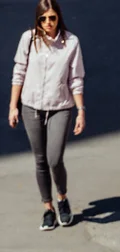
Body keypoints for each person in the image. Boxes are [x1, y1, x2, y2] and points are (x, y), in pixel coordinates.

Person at [9, 0, 85, 231]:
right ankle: (48, 208)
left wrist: (81, 110)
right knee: (40, 160)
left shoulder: (71, 42)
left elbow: (76, 79)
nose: (48, 23)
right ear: (38, 19)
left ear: (58, 17)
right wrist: (13, 106)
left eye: (52, 18)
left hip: (60, 106)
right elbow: (19, 72)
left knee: (54, 158)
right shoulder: (29, 39)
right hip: (31, 106)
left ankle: (62, 198)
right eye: (43, 18)